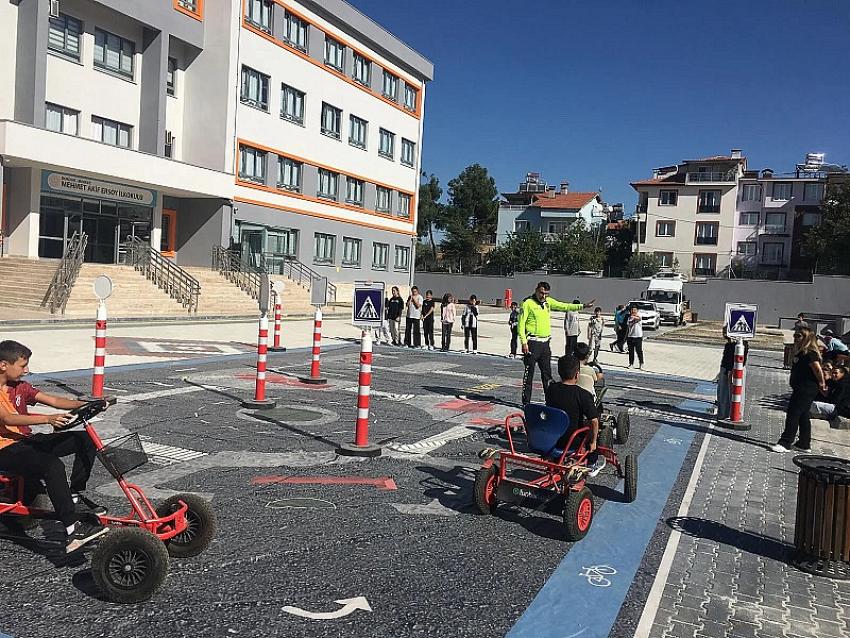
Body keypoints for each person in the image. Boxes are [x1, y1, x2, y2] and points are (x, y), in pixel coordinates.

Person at [0, 340, 109, 552]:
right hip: (4, 449)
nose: (27, 370)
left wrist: (89, 403)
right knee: (52, 466)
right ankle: (72, 531)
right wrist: (48, 420)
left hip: (24, 441)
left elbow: (54, 400)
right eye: (23, 366)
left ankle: (75, 494)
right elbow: (7, 418)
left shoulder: (19, 386)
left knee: (84, 440)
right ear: (3, 365)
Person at [517, 281, 595, 405]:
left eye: (546, 294)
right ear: (536, 290)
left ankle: (550, 401)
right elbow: (520, 325)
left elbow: (564, 306)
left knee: (547, 374)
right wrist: (523, 342)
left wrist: (583, 306)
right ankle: (526, 402)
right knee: (529, 374)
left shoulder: (548, 302)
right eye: (541, 293)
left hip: (545, 344)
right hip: (532, 342)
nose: (543, 296)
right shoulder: (527, 304)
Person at [545, 355, 606, 477]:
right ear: (577, 374)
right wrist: (593, 441)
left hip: (550, 437)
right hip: (571, 441)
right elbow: (594, 420)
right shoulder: (583, 395)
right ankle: (592, 462)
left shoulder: (551, 389)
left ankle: (558, 459)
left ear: (559, 372)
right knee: (591, 427)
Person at [773, 327, 827, 453]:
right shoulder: (802, 353)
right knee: (803, 415)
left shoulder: (810, 353)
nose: (795, 339)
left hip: (806, 389)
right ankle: (804, 443)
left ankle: (785, 442)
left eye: (798, 336)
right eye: (795, 336)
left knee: (793, 414)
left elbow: (818, 369)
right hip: (800, 388)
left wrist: (822, 383)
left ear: (806, 338)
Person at [716, 330, 749, 420]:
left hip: (731, 365)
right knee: (726, 391)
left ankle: (728, 414)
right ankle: (727, 413)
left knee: (729, 391)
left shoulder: (737, 345)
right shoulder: (735, 345)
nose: (723, 333)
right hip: (728, 365)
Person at [626, 305, 644, 369]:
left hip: (638, 336)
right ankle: (631, 363)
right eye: (632, 310)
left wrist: (634, 317)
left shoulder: (639, 315)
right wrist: (632, 319)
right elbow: (629, 324)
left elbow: (639, 319)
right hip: (630, 336)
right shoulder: (629, 318)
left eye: (634, 310)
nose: (633, 311)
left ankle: (641, 363)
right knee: (631, 351)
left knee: (639, 350)